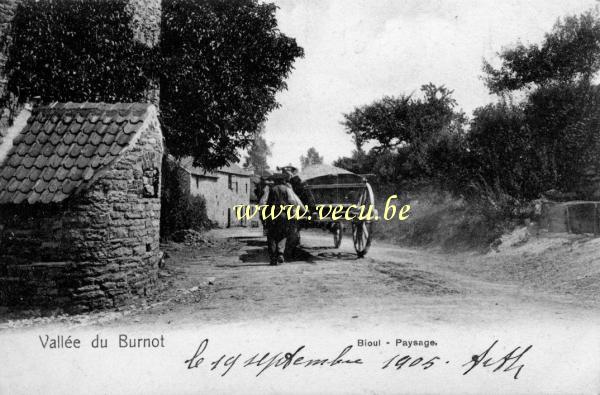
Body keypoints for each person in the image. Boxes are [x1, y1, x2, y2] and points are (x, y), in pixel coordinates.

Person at [265, 173, 303, 265]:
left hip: (273, 214)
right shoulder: (287, 189)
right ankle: (280, 253)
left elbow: (269, 204)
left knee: (271, 236)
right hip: (284, 215)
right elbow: (292, 202)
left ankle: (273, 258)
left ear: (276, 181)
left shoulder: (272, 189)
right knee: (283, 234)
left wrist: (266, 216)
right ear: (283, 181)